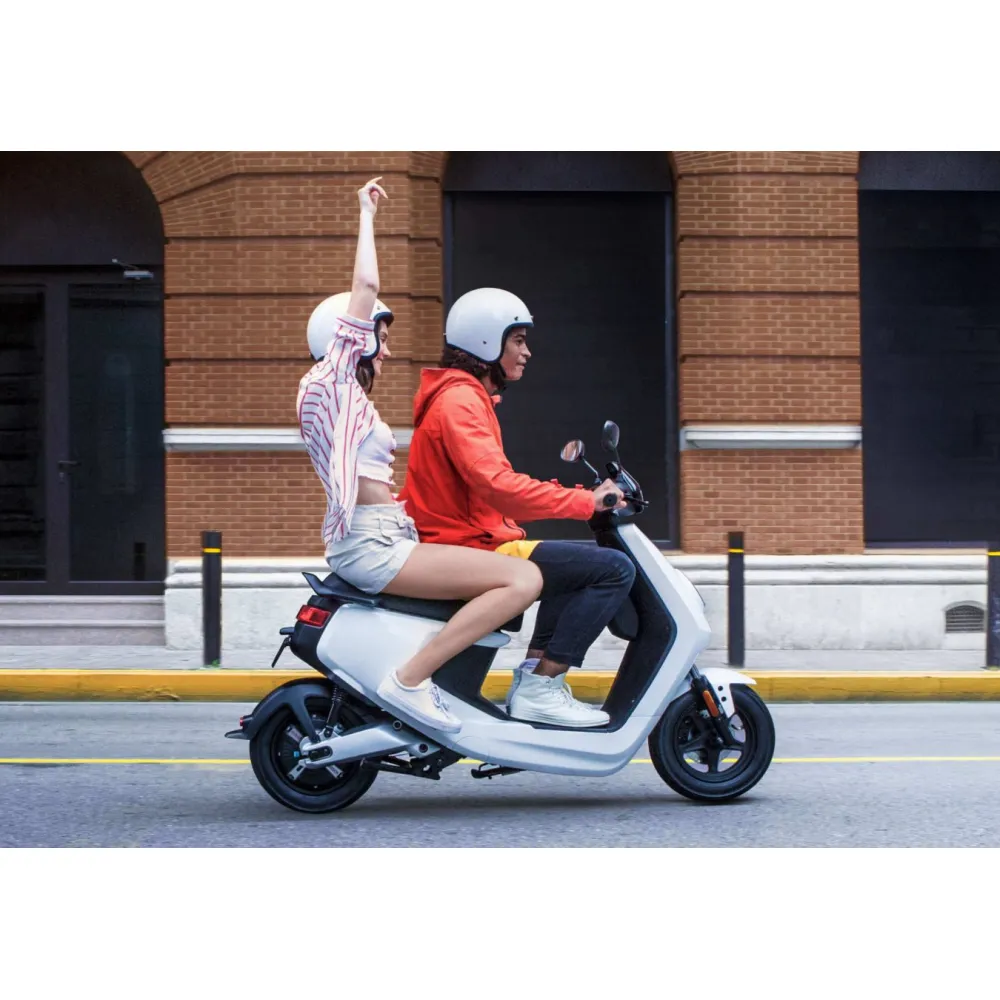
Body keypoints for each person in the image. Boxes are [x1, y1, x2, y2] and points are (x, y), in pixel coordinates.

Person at [297, 179, 542, 736]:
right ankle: (409, 680)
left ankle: (449, 687)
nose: (385, 350)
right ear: (347, 339)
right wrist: (366, 214)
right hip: (372, 546)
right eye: (379, 338)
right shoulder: (328, 384)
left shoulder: (345, 400)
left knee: (504, 571)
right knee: (522, 581)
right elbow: (366, 285)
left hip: (388, 534)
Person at [398, 287, 636, 728]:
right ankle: (542, 687)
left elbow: (491, 487)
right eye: (518, 340)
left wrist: (574, 494)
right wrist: (585, 501)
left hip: (475, 539)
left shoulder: (466, 398)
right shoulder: (460, 402)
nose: (527, 352)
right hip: (472, 547)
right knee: (613, 569)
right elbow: (499, 488)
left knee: (576, 569)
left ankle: (535, 680)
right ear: (487, 341)